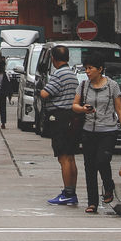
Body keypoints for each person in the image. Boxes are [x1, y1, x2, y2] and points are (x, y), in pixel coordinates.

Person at [74, 55, 121, 213]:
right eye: (86, 68)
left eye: (90, 68)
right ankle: (92, 202)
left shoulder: (112, 86)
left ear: (100, 69)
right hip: (88, 131)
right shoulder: (83, 86)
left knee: (102, 160)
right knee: (89, 168)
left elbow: (119, 108)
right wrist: (83, 108)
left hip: (108, 130)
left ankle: (108, 185)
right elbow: (74, 105)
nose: (87, 72)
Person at [40, 45, 80, 206]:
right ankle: (71, 191)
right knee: (70, 157)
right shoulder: (72, 74)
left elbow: (45, 93)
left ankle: (68, 193)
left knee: (63, 158)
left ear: (53, 59)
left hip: (60, 118)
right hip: (71, 117)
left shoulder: (59, 74)